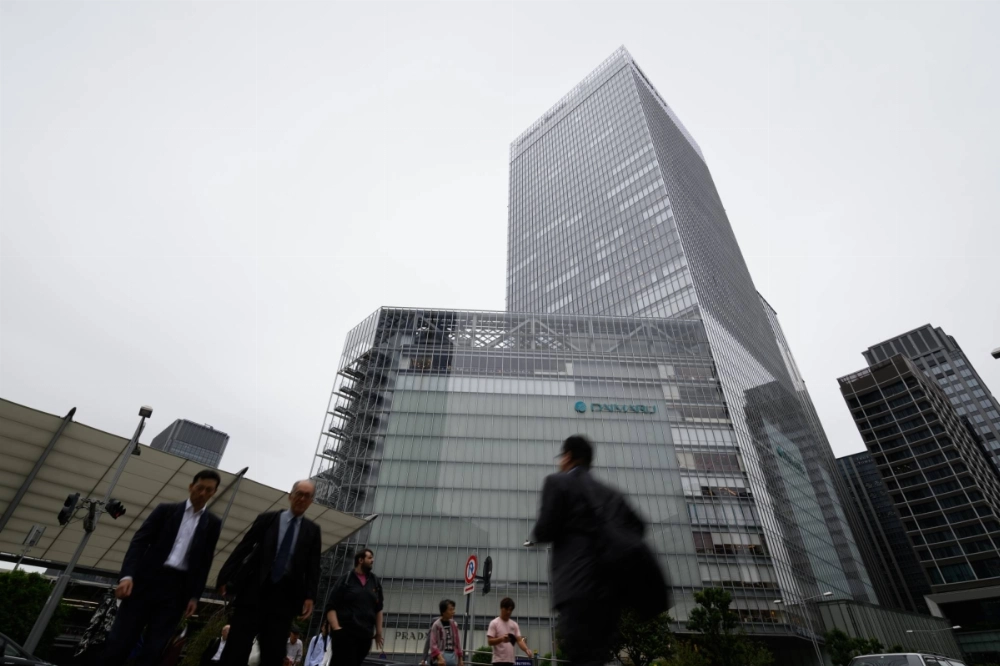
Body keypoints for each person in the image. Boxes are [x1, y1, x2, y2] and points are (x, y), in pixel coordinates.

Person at [531, 435, 653, 666]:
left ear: (567, 457)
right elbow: (638, 527)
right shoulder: (611, 494)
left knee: (580, 656)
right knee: (596, 658)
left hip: (575, 590)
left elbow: (543, 531)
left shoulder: (558, 483)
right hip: (609, 597)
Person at [99, 469, 223, 666]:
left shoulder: (213, 524)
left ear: (214, 493)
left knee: (154, 650)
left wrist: (194, 596)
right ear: (191, 487)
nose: (203, 494)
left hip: (176, 591)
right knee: (119, 643)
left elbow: (204, 562)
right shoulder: (165, 511)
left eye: (209, 490)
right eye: (200, 488)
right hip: (144, 582)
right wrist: (127, 576)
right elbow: (139, 542)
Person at [217, 480, 322, 666]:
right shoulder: (267, 520)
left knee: (273, 652)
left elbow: (313, 567)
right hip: (254, 590)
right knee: (236, 647)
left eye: (307, 496)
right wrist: (225, 577)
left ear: (311, 501)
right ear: (291, 495)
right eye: (299, 493)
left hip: (284, 597)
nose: (302, 499)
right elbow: (244, 548)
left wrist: (310, 596)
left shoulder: (312, 531)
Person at [324, 548, 385, 666]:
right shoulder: (346, 579)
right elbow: (331, 606)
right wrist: (336, 628)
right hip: (345, 633)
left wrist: (378, 632)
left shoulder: (375, 582)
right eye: (369, 557)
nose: (372, 560)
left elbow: (379, 609)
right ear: (360, 560)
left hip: (365, 635)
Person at [487, 598, 532, 666]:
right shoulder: (494, 623)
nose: (508, 612)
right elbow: (490, 641)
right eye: (506, 609)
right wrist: (501, 639)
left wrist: (526, 649)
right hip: (498, 661)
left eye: (510, 610)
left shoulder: (514, 625)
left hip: (510, 661)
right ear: (501, 608)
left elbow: (519, 640)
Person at [428, 600, 464, 666]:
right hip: (440, 659)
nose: (453, 612)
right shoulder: (436, 625)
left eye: (453, 609)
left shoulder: (454, 624)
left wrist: (460, 659)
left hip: (453, 657)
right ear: (443, 612)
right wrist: (440, 657)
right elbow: (433, 644)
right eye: (450, 610)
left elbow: (458, 643)